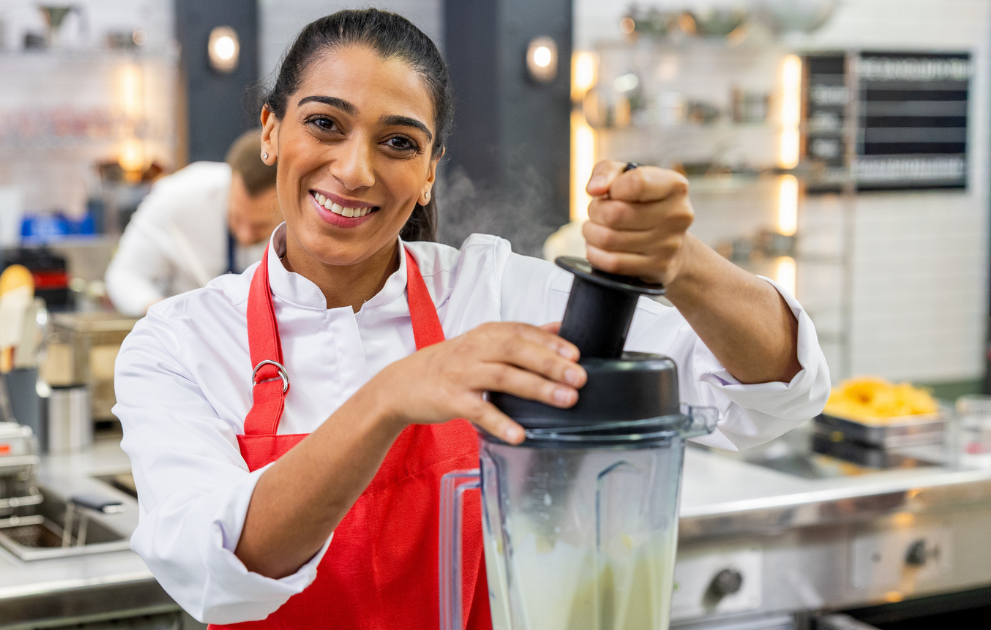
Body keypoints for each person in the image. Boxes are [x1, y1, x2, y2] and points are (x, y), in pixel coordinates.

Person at [114, 9, 829, 628]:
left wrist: (682, 263)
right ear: (271, 131)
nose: (356, 170)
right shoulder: (178, 343)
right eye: (325, 124)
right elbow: (217, 571)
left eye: (399, 142)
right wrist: (391, 396)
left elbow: (771, 395)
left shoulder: (493, 294)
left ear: (429, 171)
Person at [105, 130, 281, 316]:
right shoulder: (176, 198)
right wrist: (163, 313)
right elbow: (125, 276)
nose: (245, 235)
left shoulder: (299, 210)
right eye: (236, 217)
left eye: (260, 227)